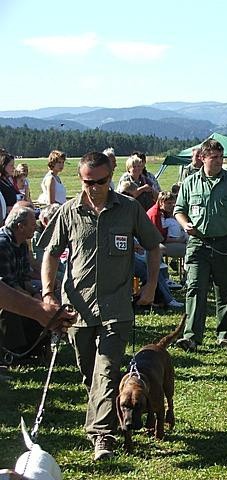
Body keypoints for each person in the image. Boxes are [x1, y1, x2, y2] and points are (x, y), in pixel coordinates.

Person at [40, 151, 162, 461]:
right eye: (87, 182)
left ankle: (102, 437)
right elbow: (51, 254)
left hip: (117, 309)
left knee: (107, 373)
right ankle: (105, 420)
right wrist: (47, 293)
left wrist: (150, 285)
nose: (93, 187)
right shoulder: (69, 212)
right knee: (88, 374)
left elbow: (152, 246)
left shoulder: (129, 209)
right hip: (77, 310)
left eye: (101, 181)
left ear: (111, 176)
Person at [173, 139, 227, 352]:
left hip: (226, 241)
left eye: (221, 157)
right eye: (214, 157)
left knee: (225, 290)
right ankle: (191, 337)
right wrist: (184, 223)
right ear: (202, 158)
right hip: (199, 243)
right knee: (195, 288)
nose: (219, 161)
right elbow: (178, 209)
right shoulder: (190, 182)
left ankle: (225, 335)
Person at [0, 206, 46, 359]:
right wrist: (31, 300)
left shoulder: (22, 245)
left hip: (15, 289)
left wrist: (35, 294)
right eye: (33, 224)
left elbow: (24, 276)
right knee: (12, 310)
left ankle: (35, 348)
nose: (36, 227)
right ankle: (14, 353)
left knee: (41, 300)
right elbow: (7, 285)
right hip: (5, 296)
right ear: (21, 227)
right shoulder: (2, 246)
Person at [147, 191, 187, 259]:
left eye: (173, 203)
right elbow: (159, 238)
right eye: (169, 203)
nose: (172, 205)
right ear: (161, 202)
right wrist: (178, 240)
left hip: (164, 241)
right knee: (189, 249)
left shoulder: (163, 211)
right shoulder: (155, 214)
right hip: (155, 245)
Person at [0, 151, 19, 215]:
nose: (14, 168)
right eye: (11, 165)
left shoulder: (7, 180)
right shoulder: (1, 183)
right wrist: (6, 208)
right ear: (4, 166)